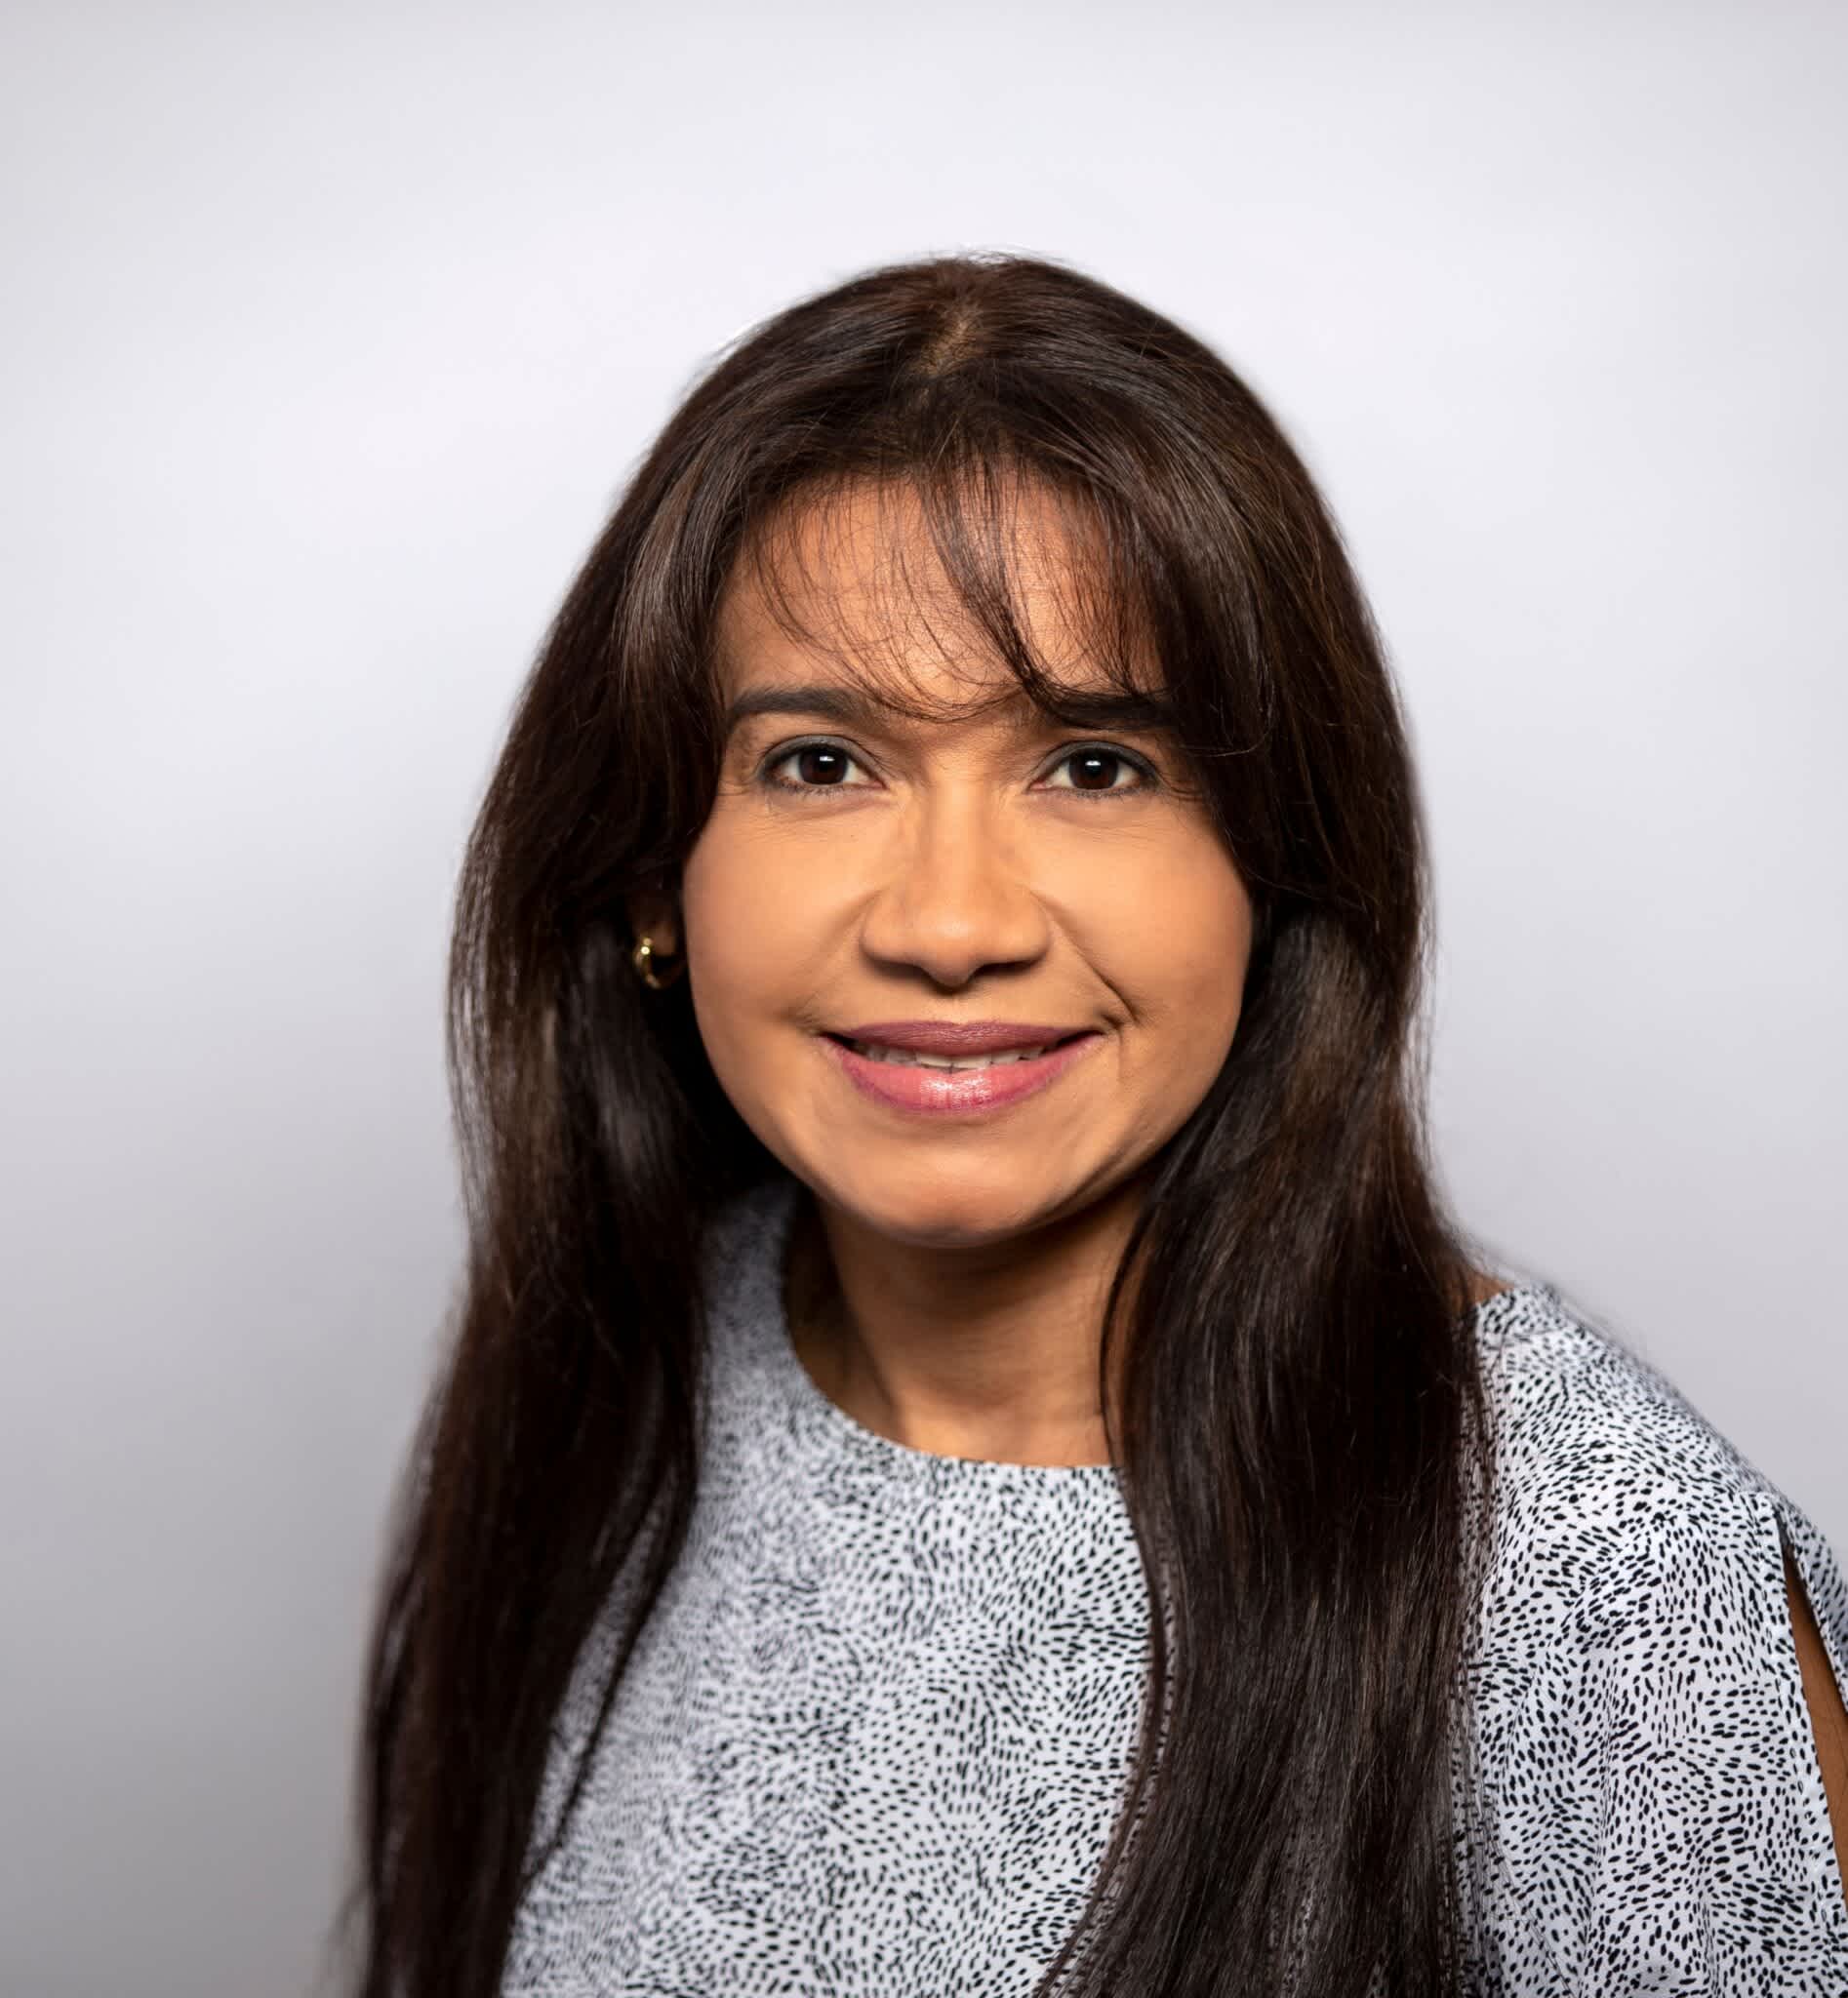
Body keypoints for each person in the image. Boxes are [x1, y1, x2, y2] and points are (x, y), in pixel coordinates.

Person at [338, 253, 1848, 1998]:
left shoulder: (1595, 1563)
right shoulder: (624, 1371)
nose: (951, 923)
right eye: (820, 762)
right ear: (647, 879)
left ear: (1277, 869)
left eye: (1094, 765)